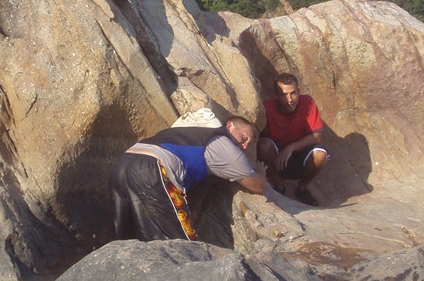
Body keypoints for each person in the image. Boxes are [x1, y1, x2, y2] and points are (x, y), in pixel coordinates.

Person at [109, 116, 267, 241]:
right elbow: (257, 185)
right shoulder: (223, 143)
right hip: (153, 167)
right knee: (178, 245)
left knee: (125, 237)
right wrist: (260, 173)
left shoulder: (192, 130)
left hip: (123, 163)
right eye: (245, 137)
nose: (245, 146)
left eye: (250, 144)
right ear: (230, 125)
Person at [257, 73, 328, 206]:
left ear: (299, 92)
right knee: (263, 146)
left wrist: (292, 147)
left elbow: (317, 136)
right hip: (276, 160)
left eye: (293, 93)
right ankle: (279, 186)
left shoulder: (307, 103)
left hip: (299, 157)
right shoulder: (267, 108)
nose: (290, 99)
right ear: (276, 96)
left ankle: (302, 188)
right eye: (284, 95)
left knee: (321, 155)